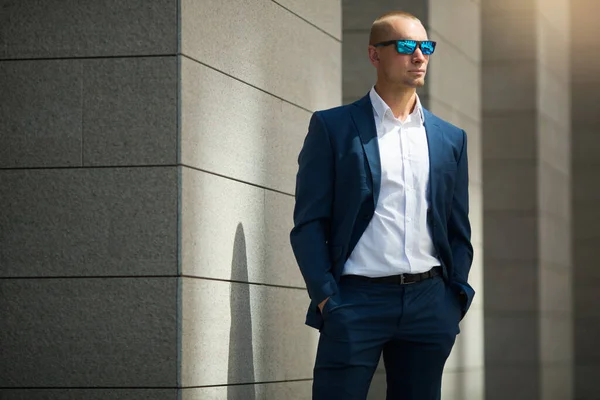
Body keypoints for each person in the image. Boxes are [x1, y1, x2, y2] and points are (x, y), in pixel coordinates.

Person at [289, 10, 475, 400]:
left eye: (426, 47)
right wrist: (327, 298)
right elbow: (309, 223)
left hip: (429, 304)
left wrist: (453, 296)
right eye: (406, 46)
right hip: (355, 300)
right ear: (375, 55)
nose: (419, 56)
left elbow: (457, 226)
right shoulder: (333, 127)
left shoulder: (450, 138)